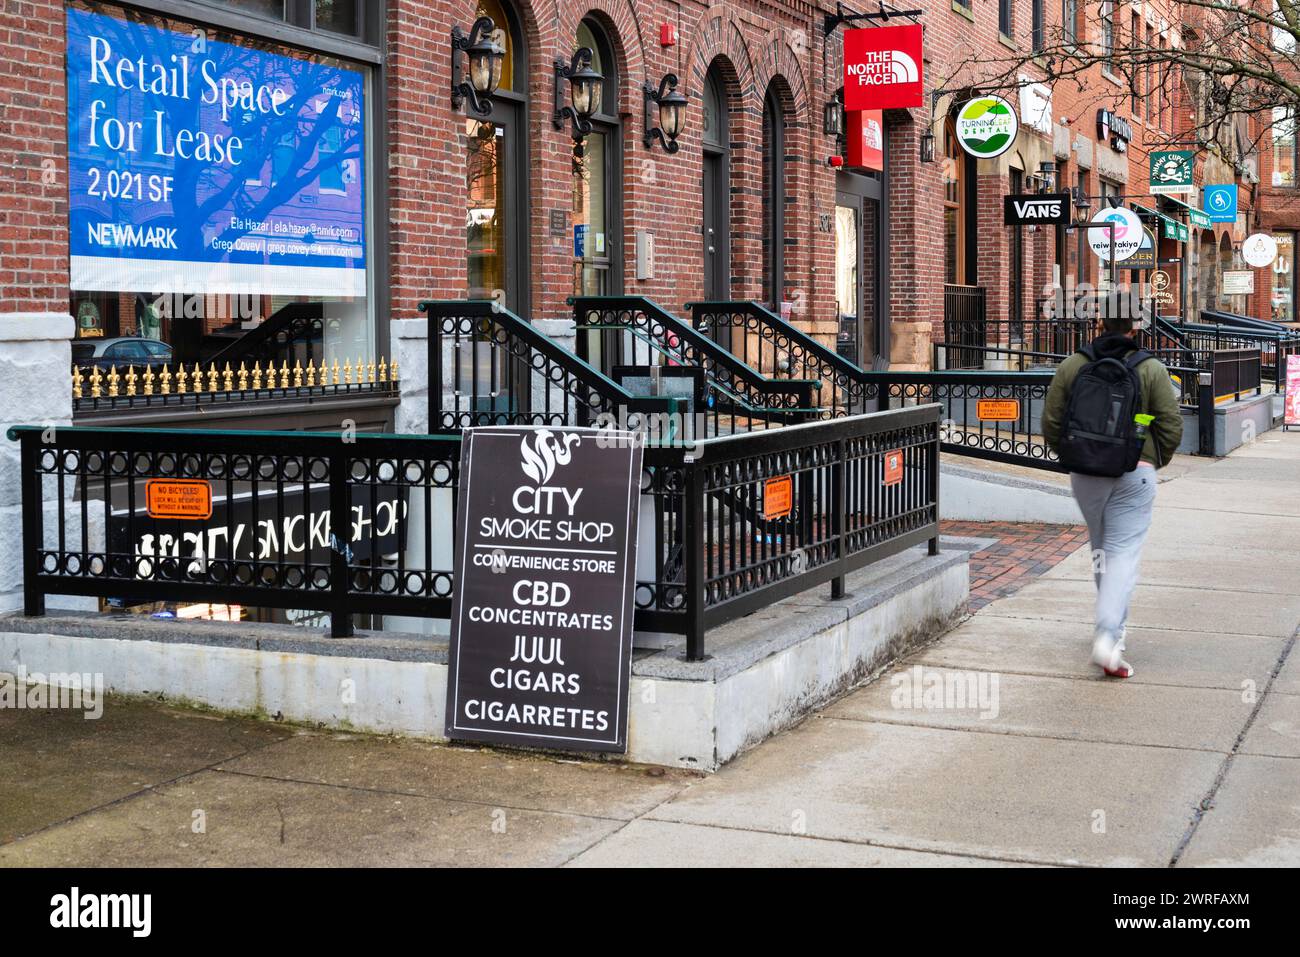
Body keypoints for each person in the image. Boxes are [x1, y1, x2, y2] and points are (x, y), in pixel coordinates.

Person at [1042, 312, 1182, 678]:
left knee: (1102, 550)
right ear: (1135, 327)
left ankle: (1111, 628)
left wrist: (1073, 455)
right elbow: (1170, 423)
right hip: (1134, 472)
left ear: (1099, 322)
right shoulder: (1150, 369)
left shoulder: (1074, 364)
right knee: (1122, 553)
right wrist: (1153, 460)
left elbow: (1051, 421)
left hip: (1085, 475)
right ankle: (1108, 635)